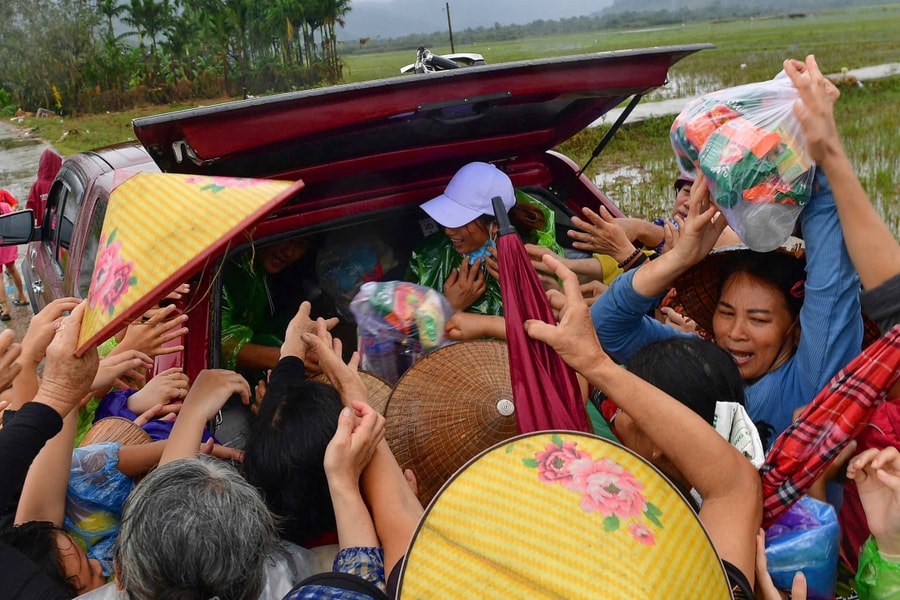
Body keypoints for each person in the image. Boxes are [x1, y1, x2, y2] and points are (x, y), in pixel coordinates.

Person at [524, 254, 761, 596]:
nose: (615, 414)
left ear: (659, 443)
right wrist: (593, 365)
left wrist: (594, 363)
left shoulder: (592, 525)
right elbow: (734, 482)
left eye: (624, 406)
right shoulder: (720, 558)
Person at [590, 165, 863, 440]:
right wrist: (679, 258)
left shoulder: (808, 381)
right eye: (726, 312)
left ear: (795, 330)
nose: (734, 333)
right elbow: (607, 327)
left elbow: (833, 280)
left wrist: (815, 158)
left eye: (758, 319)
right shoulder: (704, 362)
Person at [408, 161, 559, 315]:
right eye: (448, 218)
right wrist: (450, 306)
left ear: (495, 225)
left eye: (459, 222)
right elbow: (405, 330)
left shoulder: (535, 262)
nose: (448, 231)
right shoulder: (430, 254)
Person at [221, 237, 314, 372]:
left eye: (300, 244)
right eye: (286, 238)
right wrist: (290, 359)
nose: (289, 252)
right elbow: (217, 345)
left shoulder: (264, 276)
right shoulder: (228, 270)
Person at [0, 193, 28, 320]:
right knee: (12, 269)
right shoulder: (5, 206)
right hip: (7, 242)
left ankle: (5, 308)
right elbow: (14, 220)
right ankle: (22, 296)